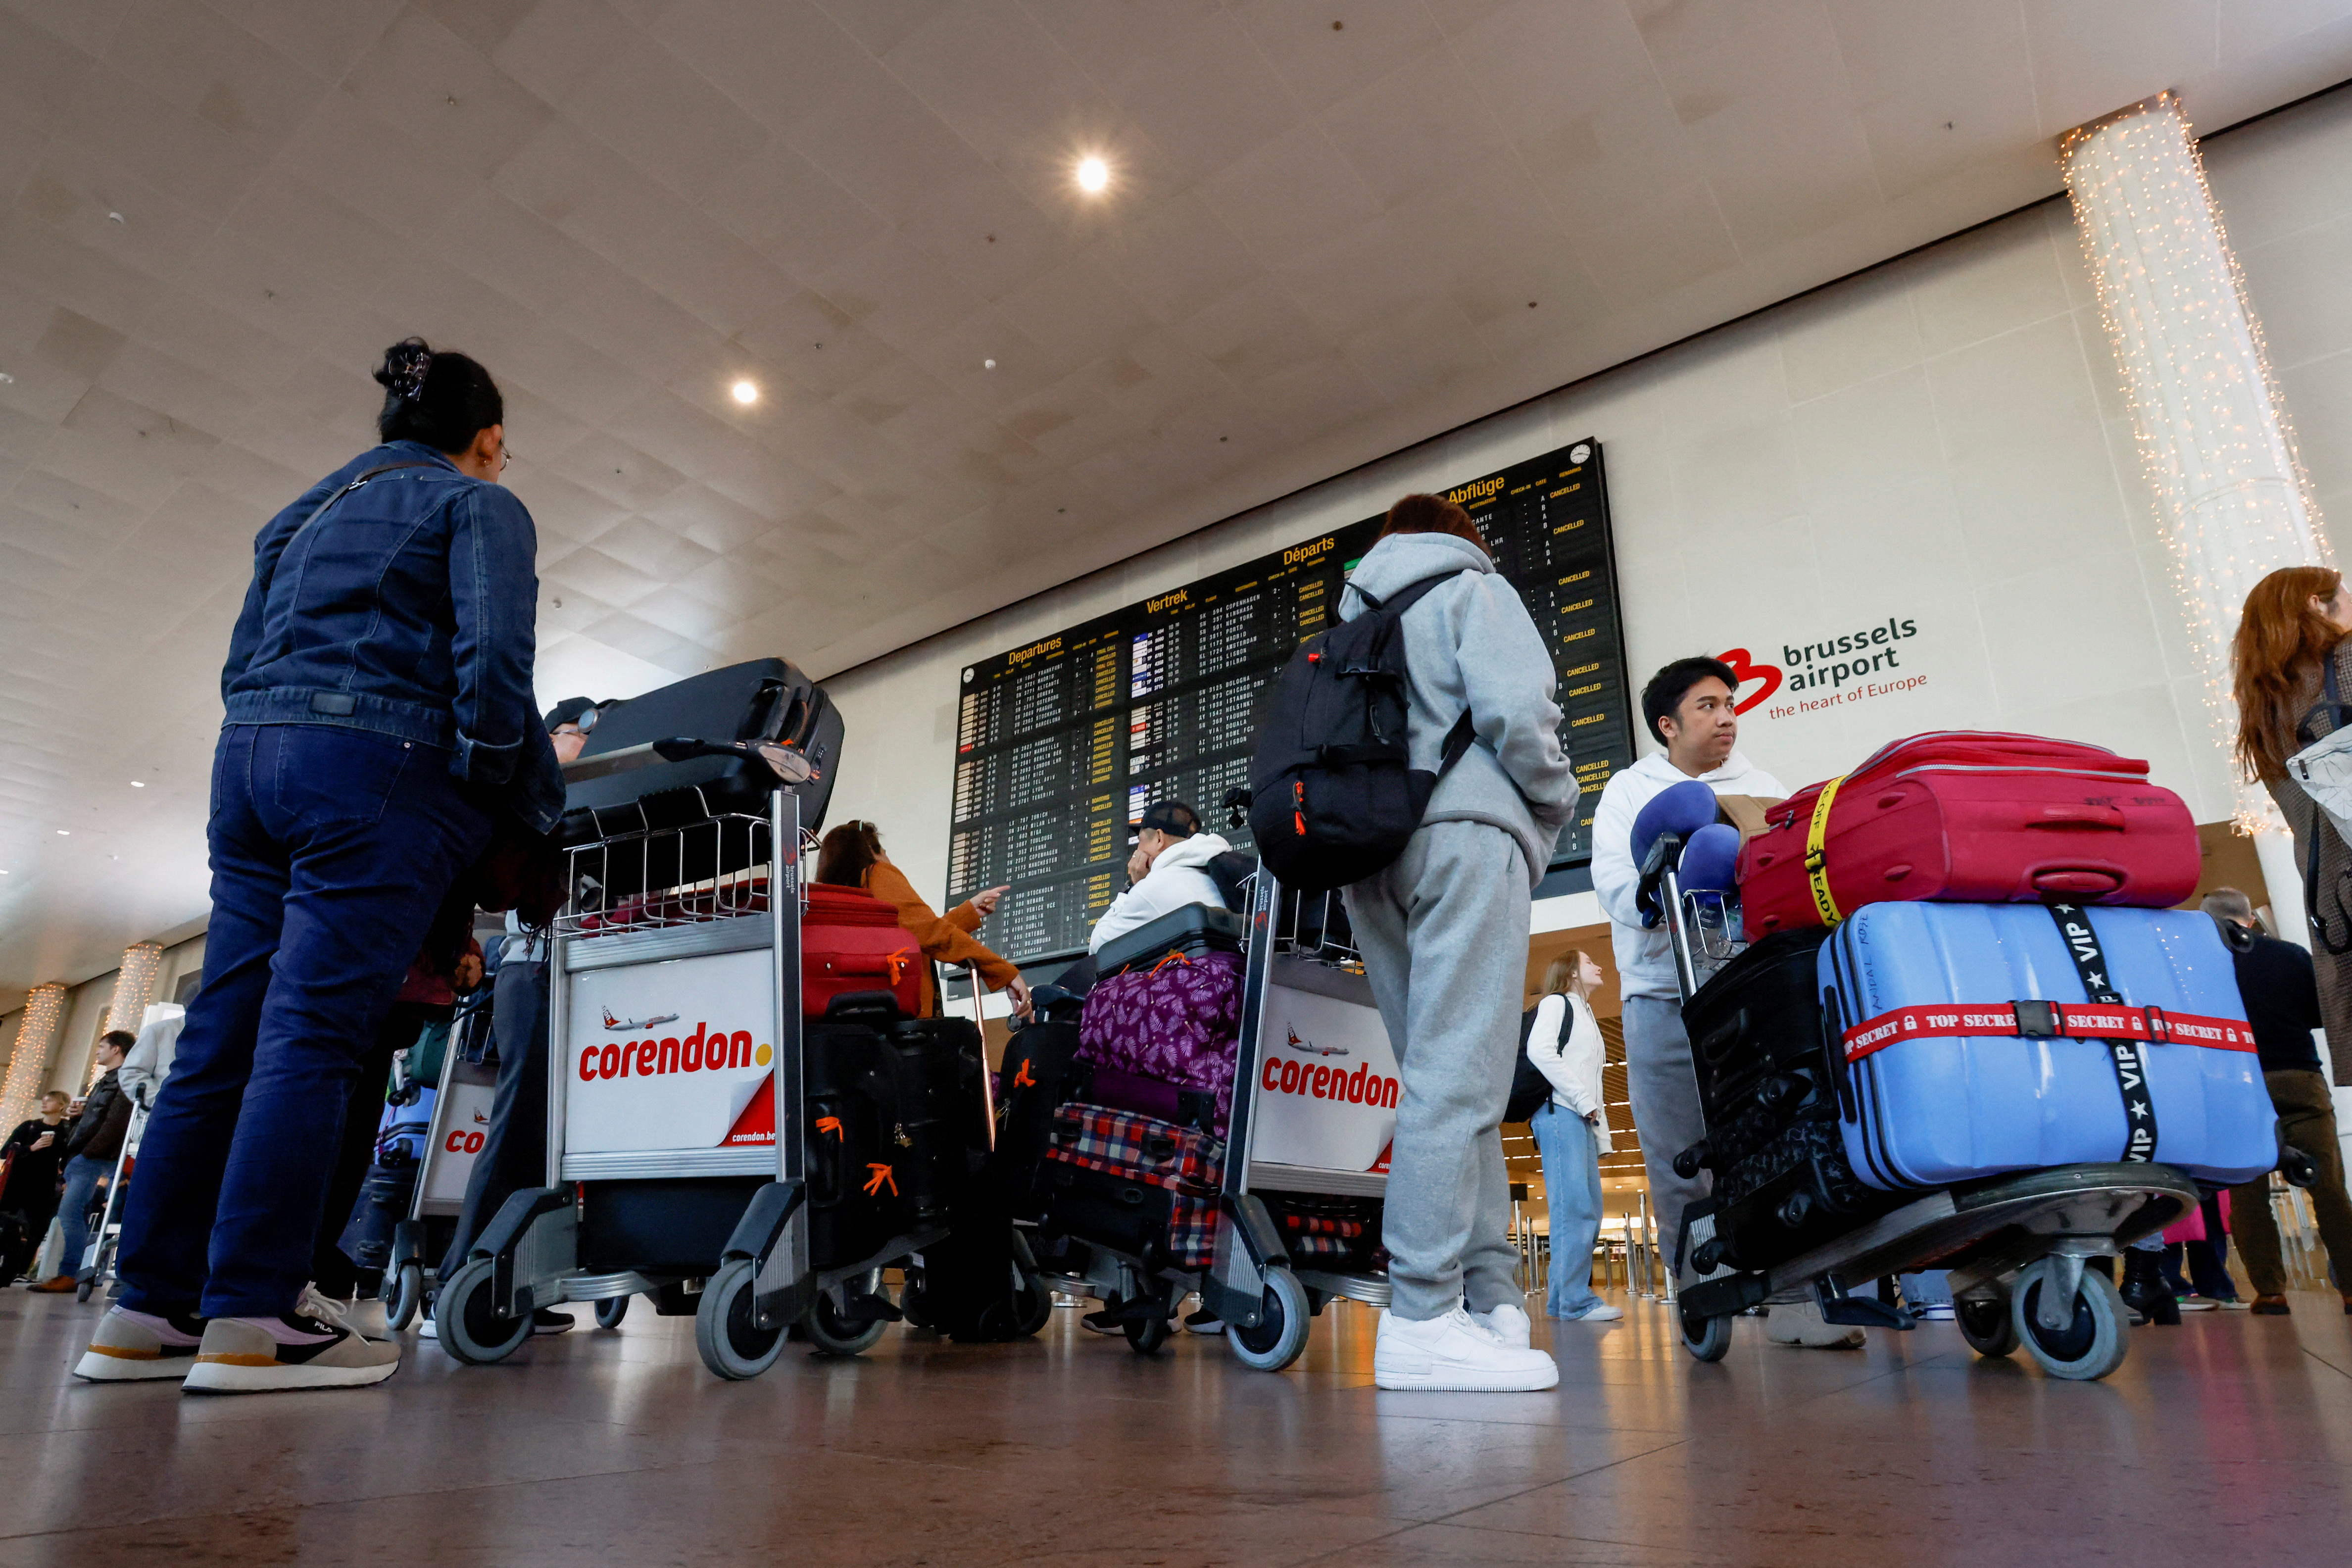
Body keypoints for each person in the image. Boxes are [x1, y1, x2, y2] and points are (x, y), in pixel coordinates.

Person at [78, 339, 560, 1392]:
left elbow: (240, 663)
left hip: (248, 765)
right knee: (314, 1036)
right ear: (487, 441)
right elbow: (494, 662)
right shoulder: (479, 507)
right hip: (378, 772)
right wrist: (491, 796)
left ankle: (146, 1310)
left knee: (223, 1036)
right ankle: (256, 1311)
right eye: (501, 450)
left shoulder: (294, 517)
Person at [1336, 493, 1576, 1393]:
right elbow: (1518, 713)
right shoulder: (1475, 587)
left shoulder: (1353, 611)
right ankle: (1422, 1316)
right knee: (1457, 1077)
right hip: (1464, 833)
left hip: (1367, 858)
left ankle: (1488, 1299)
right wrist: (1552, 805)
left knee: (1447, 1079)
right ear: (1461, 536)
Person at [1591, 659, 1858, 1349]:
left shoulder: (1763, 789)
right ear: (1668, 725)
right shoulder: (1630, 791)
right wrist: (1665, 888)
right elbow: (1617, 888)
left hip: (1751, 993)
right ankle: (1702, 1293)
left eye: (1731, 704)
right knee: (1680, 1157)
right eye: (1708, 706)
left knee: (1780, 1142)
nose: (1728, 717)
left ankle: (1798, 1298)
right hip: (1663, 999)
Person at [426, 700, 605, 1343]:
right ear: (547, 738)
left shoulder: (598, 798)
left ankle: (516, 1278)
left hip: (581, 974)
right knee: (520, 1124)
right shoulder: (533, 795)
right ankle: (460, 1274)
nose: (587, 745)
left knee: (547, 1140)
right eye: (576, 734)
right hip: (533, 973)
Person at [2201, 886, 2352, 1316]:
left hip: (2237, 1086)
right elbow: (2318, 1015)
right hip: (2299, 1078)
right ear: (2249, 917)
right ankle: (2351, 1289)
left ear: (2207, 921)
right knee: (2330, 1190)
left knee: (2249, 1196)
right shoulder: (2290, 955)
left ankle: (2270, 1293)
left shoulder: (2200, 967)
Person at [814, 820, 1030, 1018]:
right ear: (871, 851)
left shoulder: (835, 904)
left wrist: (968, 912)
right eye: (885, 853)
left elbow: (912, 936)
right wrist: (1004, 971)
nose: (890, 861)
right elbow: (931, 933)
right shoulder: (877, 873)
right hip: (903, 1024)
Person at [1525, 951, 1622, 1323]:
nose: (1598, 966)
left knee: (1589, 1209)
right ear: (1571, 972)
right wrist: (1582, 1101)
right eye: (1589, 962)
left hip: (1578, 1118)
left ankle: (1562, 1300)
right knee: (1575, 1209)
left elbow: (1591, 1079)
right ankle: (1575, 1303)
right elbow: (1540, 1051)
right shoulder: (1556, 1004)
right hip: (1559, 1113)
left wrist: (1602, 1135)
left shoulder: (1587, 1014)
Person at [34, 1032, 137, 1293]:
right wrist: (82, 1113)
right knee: (71, 1214)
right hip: (87, 1155)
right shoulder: (107, 1081)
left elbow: (116, 1123)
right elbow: (102, 1117)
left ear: (116, 1049)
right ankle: (70, 1273)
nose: (97, 1052)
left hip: (93, 1157)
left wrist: (87, 1153)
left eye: (102, 1047)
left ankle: (71, 1273)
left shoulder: (123, 1078)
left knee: (69, 1214)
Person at [1086, 801, 1240, 954]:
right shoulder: (1217, 872)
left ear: (1159, 838)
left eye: (1140, 841)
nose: (1138, 850)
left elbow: (1099, 947)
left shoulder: (1152, 888)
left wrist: (1131, 887)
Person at [2, 1090, 74, 1275]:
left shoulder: (66, 1131)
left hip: (44, 1187)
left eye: (50, 1101)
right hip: (16, 1185)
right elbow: (6, 1152)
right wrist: (32, 1148)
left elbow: (69, 1157)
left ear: (62, 1106)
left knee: (37, 1229)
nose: (44, 1103)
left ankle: (21, 1271)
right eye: (44, 1100)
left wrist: (66, 1179)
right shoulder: (30, 1127)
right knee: (7, 1224)